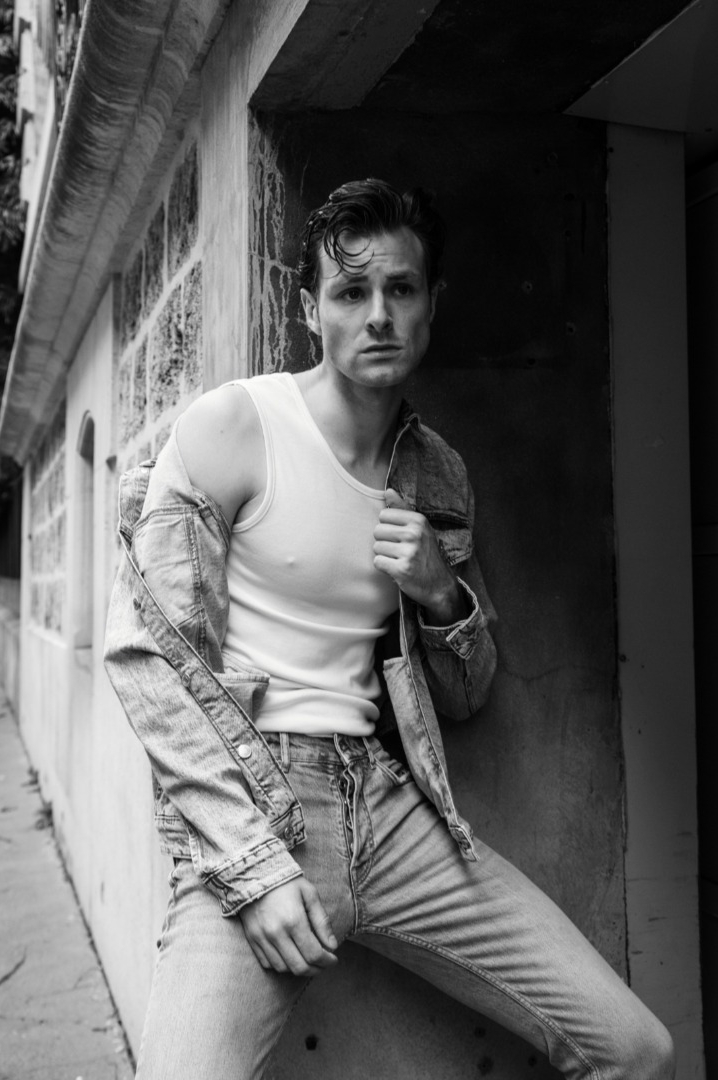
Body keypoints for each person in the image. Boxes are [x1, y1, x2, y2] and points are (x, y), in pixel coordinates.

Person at [104, 179, 675, 1079]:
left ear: (430, 303)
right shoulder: (236, 427)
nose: (378, 315)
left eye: (400, 289)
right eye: (350, 291)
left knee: (636, 1049)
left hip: (391, 808)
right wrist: (251, 865)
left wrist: (441, 592)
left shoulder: (435, 472)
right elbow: (144, 657)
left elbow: (466, 694)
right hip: (257, 806)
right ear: (309, 310)